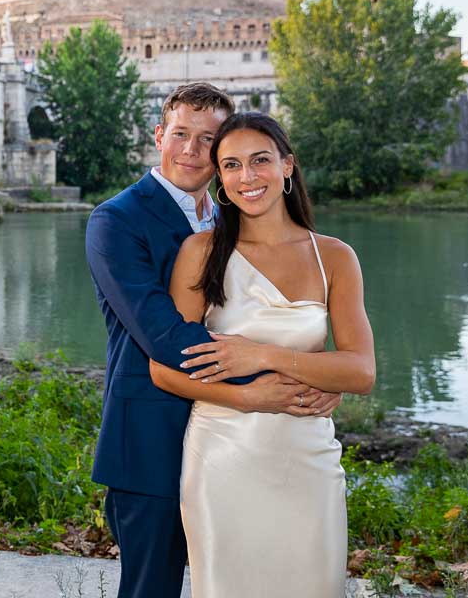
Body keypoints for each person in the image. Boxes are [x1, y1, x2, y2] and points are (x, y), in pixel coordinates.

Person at [85, 84, 342, 598]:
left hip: (234, 443)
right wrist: (291, 380)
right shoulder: (115, 221)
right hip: (152, 433)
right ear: (158, 136)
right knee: (151, 588)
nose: (191, 149)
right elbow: (165, 337)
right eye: (180, 134)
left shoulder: (233, 219)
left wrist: (316, 373)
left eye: (207, 140)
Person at [150, 112, 376, 597]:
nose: (246, 177)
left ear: (287, 166)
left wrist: (264, 356)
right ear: (221, 180)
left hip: (308, 458)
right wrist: (251, 398)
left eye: (260, 161)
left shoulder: (334, 256)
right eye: (231, 166)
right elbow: (163, 371)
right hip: (222, 458)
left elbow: (360, 371)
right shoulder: (201, 252)